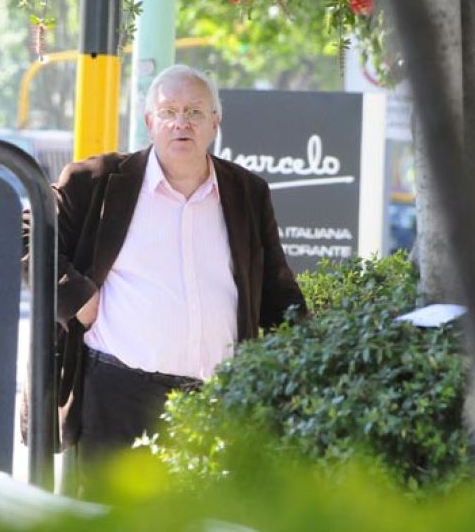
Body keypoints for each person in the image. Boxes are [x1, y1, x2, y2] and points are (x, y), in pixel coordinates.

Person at [52, 64, 307, 483]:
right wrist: (75, 295)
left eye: (194, 111)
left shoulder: (247, 192)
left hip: (216, 404)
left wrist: (309, 361)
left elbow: (277, 293)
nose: (181, 122)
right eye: (168, 111)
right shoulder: (95, 181)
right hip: (117, 399)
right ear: (149, 122)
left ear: (215, 123)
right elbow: (27, 237)